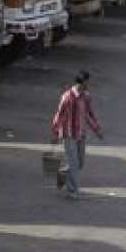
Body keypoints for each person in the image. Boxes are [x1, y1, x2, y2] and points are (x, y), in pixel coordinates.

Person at [50, 71, 104, 199]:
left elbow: (89, 115)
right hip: (68, 134)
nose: (89, 84)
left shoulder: (86, 97)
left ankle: (62, 173)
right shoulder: (67, 97)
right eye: (87, 82)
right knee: (73, 163)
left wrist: (97, 130)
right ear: (82, 82)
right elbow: (60, 114)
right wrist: (55, 132)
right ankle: (73, 191)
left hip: (80, 134)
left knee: (79, 163)